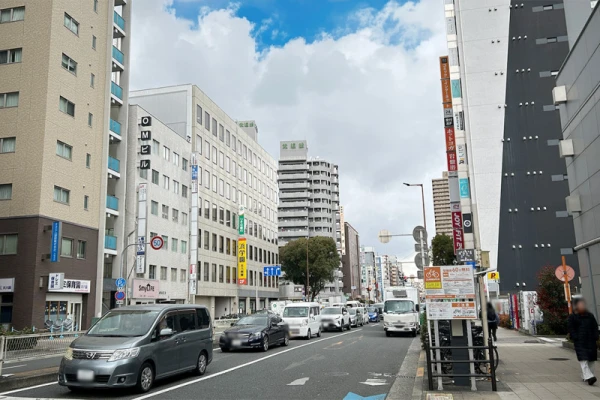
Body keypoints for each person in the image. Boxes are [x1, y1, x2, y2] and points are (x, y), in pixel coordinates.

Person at [568, 298, 599, 385]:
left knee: (591, 360)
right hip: (580, 342)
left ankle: (587, 376)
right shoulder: (573, 317)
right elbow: (571, 328)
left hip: (591, 340)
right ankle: (589, 377)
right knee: (583, 359)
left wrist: (596, 336)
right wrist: (575, 337)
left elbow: (595, 326)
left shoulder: (590, 316)